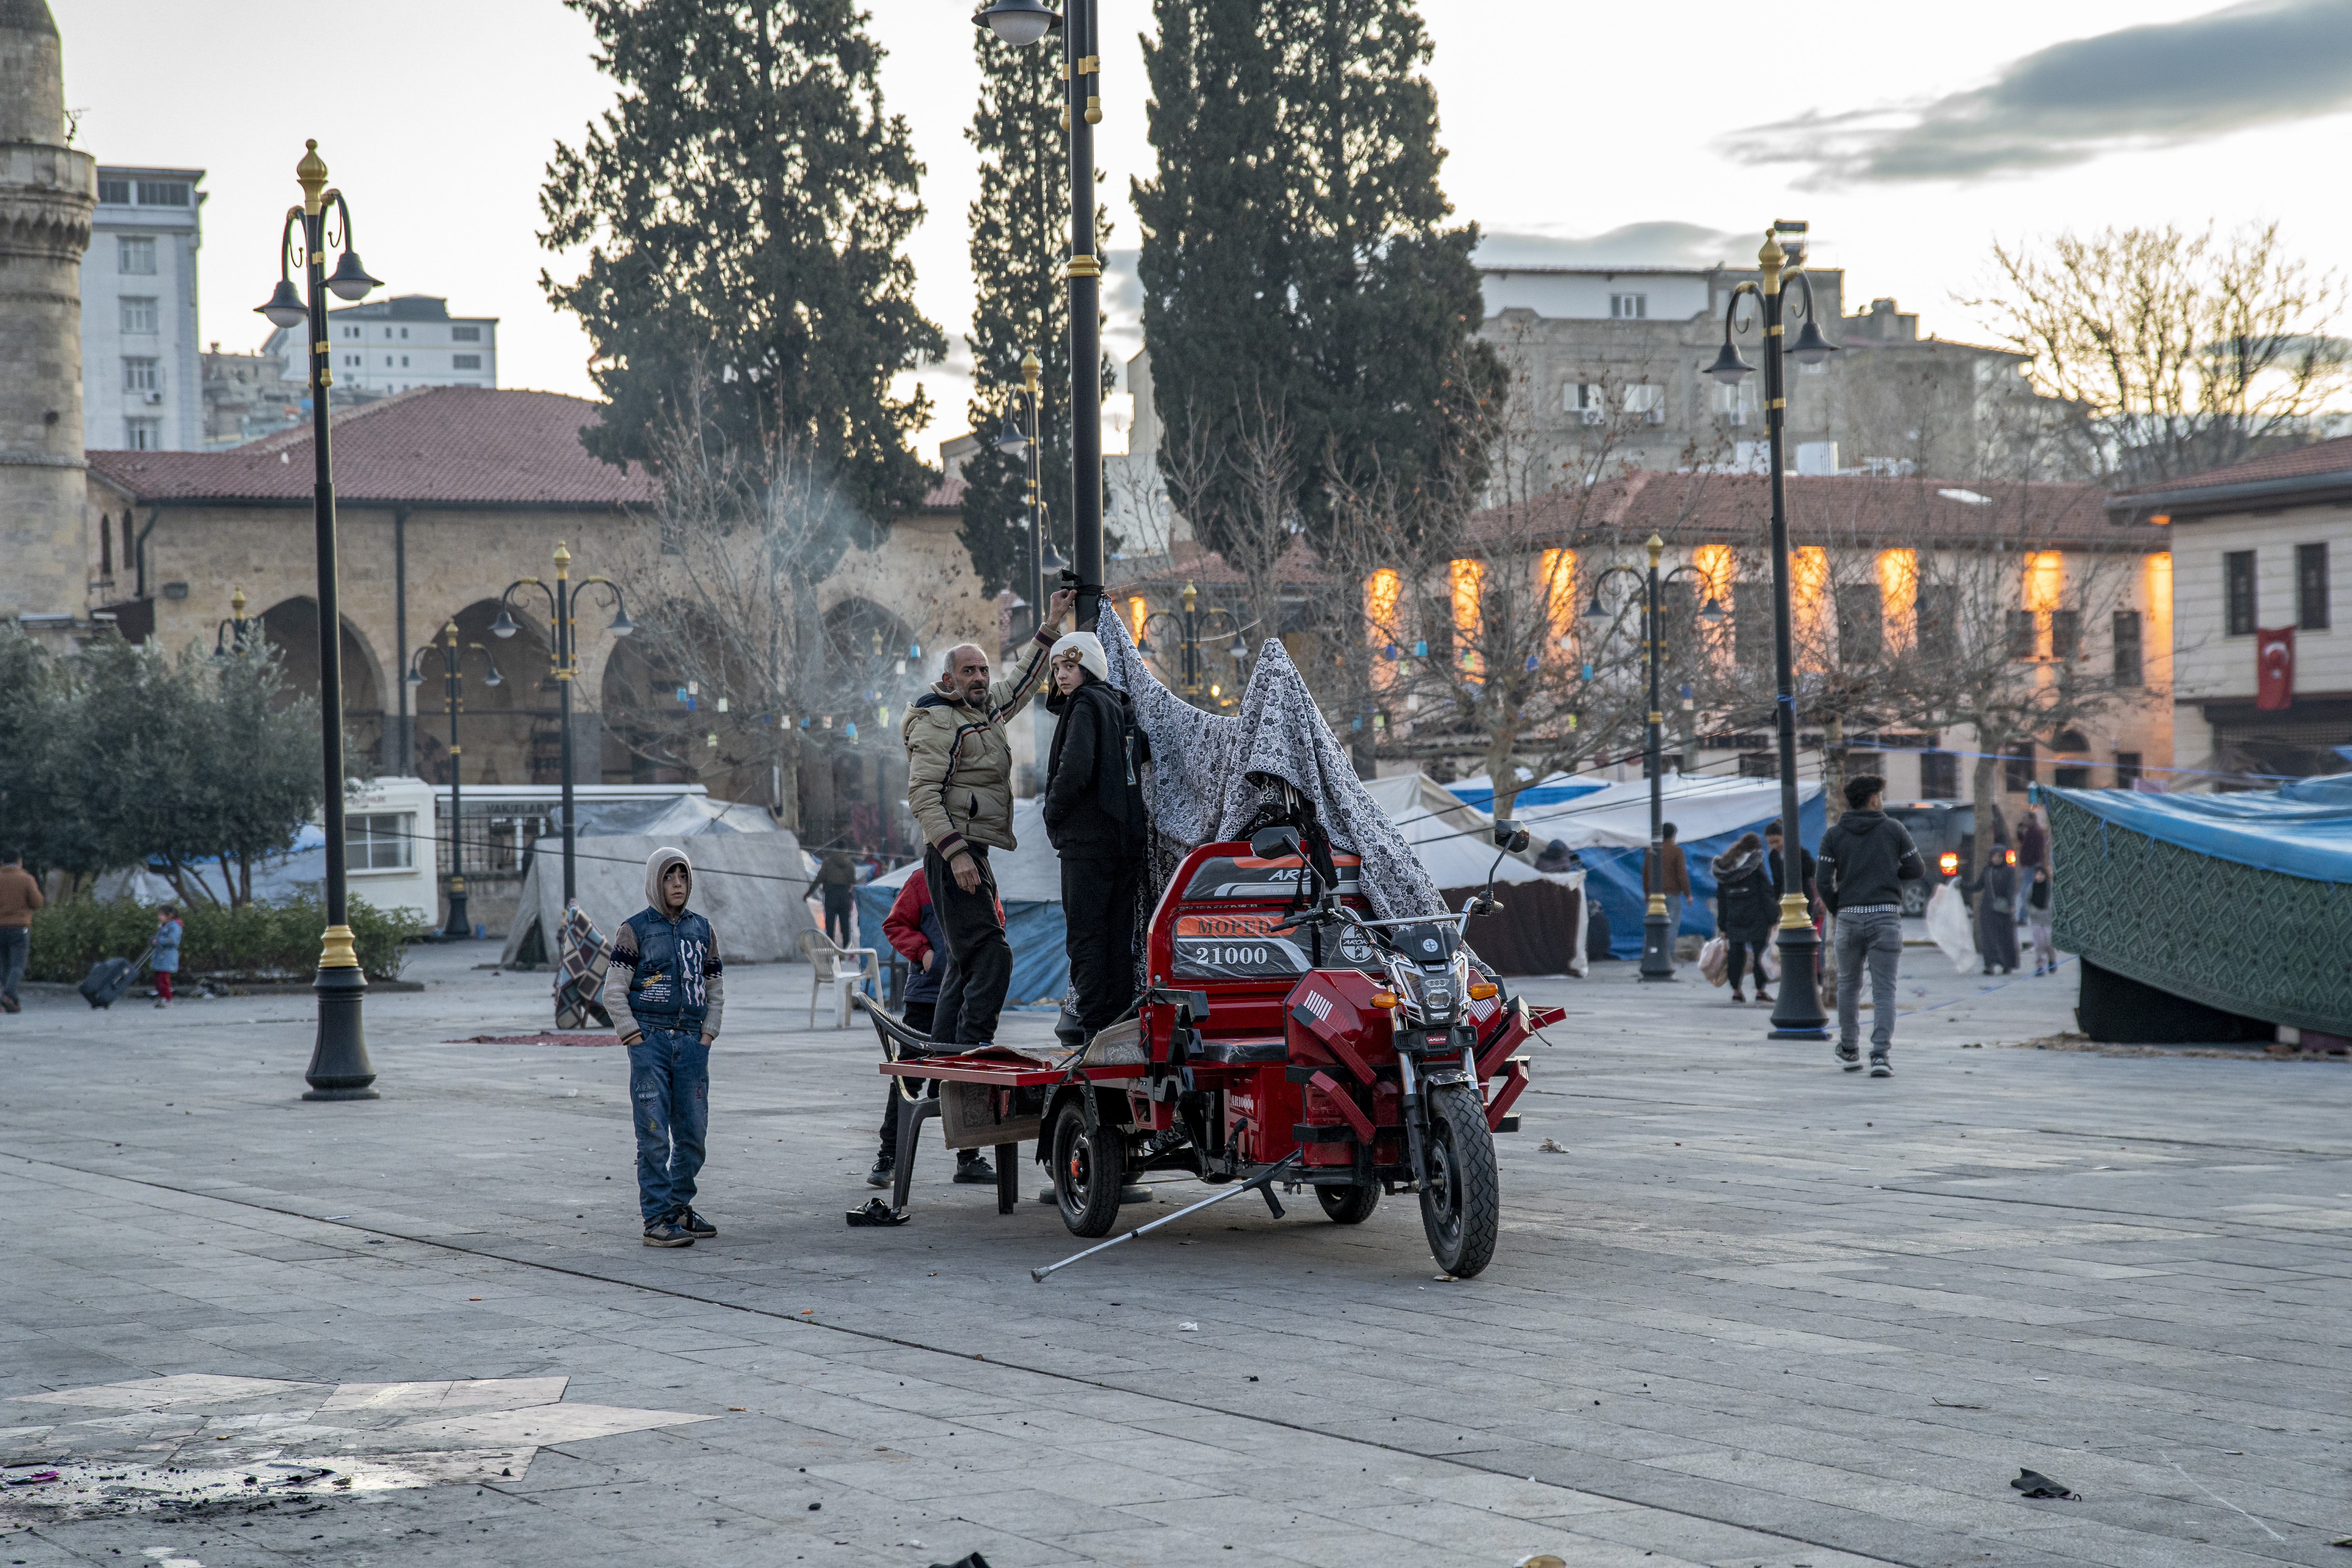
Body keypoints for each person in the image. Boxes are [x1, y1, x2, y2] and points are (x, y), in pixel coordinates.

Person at [902, 587, 1072, 1052]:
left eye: (982, 669)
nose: (979, 677)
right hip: (954, 853)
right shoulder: (939, 720)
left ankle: (944, 1069)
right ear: (948, 678)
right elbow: (922, 795)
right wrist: (956, 853)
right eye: (968, 671)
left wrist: (1052, 623)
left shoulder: (980, 708)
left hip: (974, 850)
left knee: (965, 960)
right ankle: (973, 1053)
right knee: (992, 955)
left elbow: (1021, 684)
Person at [604, 847, 725, 1248]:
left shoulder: (702, 930)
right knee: (654, 1134)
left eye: (684, 877)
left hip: (692, 1044)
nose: (678, 884)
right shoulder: (634, 930)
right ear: (656, 883)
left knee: (693, 1133)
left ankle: (678, 1207)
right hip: (650, 1043)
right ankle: (656, 1218)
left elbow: (715, 988)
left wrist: (707, 1035)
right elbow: (614, 992)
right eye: (670, 877)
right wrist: (634, 1038)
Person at [1042, 630, 1149, 1037]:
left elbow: (1075, 768)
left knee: (1086, 937)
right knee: (1117, 937)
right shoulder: (1118, 704)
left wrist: (1053, 814)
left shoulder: (1085, 705)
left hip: (1086, 843)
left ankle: (1092, 1030)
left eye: (1069, 666)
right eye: (1056, 668)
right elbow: (1140, 754)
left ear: (1088, 667)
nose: (1062, 676)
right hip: (1123, 840)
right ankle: (1117, 1028)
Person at [868, 867, 1001, 1189]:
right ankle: (889, 1157)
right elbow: (895, 924)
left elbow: (996, 929)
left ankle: (969, 1159)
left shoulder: (982, 878)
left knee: (967, 1077)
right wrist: (925, 953)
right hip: (927, 997)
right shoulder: (921, 880)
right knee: (908, 1076)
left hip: (967, 997)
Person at [1816, 774, 1925, 1077]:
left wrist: (1841, 908)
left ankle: (1849, 1049)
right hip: (1885, 917)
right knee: (1884, 990)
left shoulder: (1834, 835)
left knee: (1849, 986)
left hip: (1849, 918)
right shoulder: (1894, 830)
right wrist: (1888, 876)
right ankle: (1880, 1056)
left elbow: (1823, 881)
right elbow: (1917, 868)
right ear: (1874, 799)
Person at [1711, 832, 1777, 1004]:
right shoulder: (1755, 865)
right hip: (1756, 915)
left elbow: (1722, 899)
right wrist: (1774, 918)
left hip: (1734, 916)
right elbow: (1765, 893)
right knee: (1759, 954)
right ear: (1756, 848)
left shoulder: (1725, 867)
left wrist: (1723, 925)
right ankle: (1761, 991)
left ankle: (1736, 991)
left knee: (1735, 954)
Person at [1765, 817, 1823, 979]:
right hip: (1785, 902)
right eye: (1771, 843)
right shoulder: (1773, 857)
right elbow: (1777, 883)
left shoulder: (1800, 852)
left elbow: (1812, 874)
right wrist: (1778, 904)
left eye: (1777, 841)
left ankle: (1811, 973)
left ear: (1785, 836)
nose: (1775, 846)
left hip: (1804, 899)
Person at [1963, 846, 2020, 975]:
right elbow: (1978, 886)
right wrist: (1963, 885)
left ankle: (2007, 964)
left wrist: (2011, 905)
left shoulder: (2008, 871)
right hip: (1988, 909)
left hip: (2003, 909)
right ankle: (1989, 965)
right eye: (1995, 856)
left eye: (2000, 857)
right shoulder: (1987, 870)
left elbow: (2011, 888)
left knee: (2004, 937)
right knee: (1989, 938)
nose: (1997, 859)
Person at [0, 850, 42, 1015]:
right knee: (18, 965)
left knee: (4, 965)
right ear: (20, 862)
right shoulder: (26, 879)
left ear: (2, 862)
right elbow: (37, 903)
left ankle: (12, 1001)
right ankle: (8, 995)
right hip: (20, 928)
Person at [1643, 822, 1689, 948]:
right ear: (1674, 836)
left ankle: (1649, 953)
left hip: (1654, 895)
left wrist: (1647, 893)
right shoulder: (1677, 851)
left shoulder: (1651, 850)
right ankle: (1667, 954)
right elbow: (1682, 874)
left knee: (1652, 926)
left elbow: (1646, 873)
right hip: (1672, 894)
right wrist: (1688, 894)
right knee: (1671, 924)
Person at [815, 849, 857, 947]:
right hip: (844, 897)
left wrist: (808, 893)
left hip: (831, 897)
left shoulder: (828, 863)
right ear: (846, 850)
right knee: (845, 927)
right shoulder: (850, 864)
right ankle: (847, 951)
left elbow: (819, 879)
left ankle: (831, 952)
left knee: (830, 927)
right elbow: (853, 881)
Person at [2026, 865, 2056, 976]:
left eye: (2041, 875)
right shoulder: (2032, 887)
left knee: (2049, 942)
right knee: (2039, 943)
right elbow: (2027, 902)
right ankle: (2040, 966)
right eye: (2037, 874)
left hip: (2048, 919)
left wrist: (2050, 912)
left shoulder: (2050, 888)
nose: (2038, 877)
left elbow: (2054, 902)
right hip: (2036, 919)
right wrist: (2032, 912)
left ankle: (2052, 960)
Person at [151, 904, 182, 1007]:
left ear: (170, 915)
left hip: (168, 957)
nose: (159, 917)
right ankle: (161, 997)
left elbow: (173, 941)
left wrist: (159, 941)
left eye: (162, 915)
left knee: (164, 979)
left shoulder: (174, 926)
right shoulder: (164, 926)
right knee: (157, 978)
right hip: (160, 957)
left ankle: (167, 999)